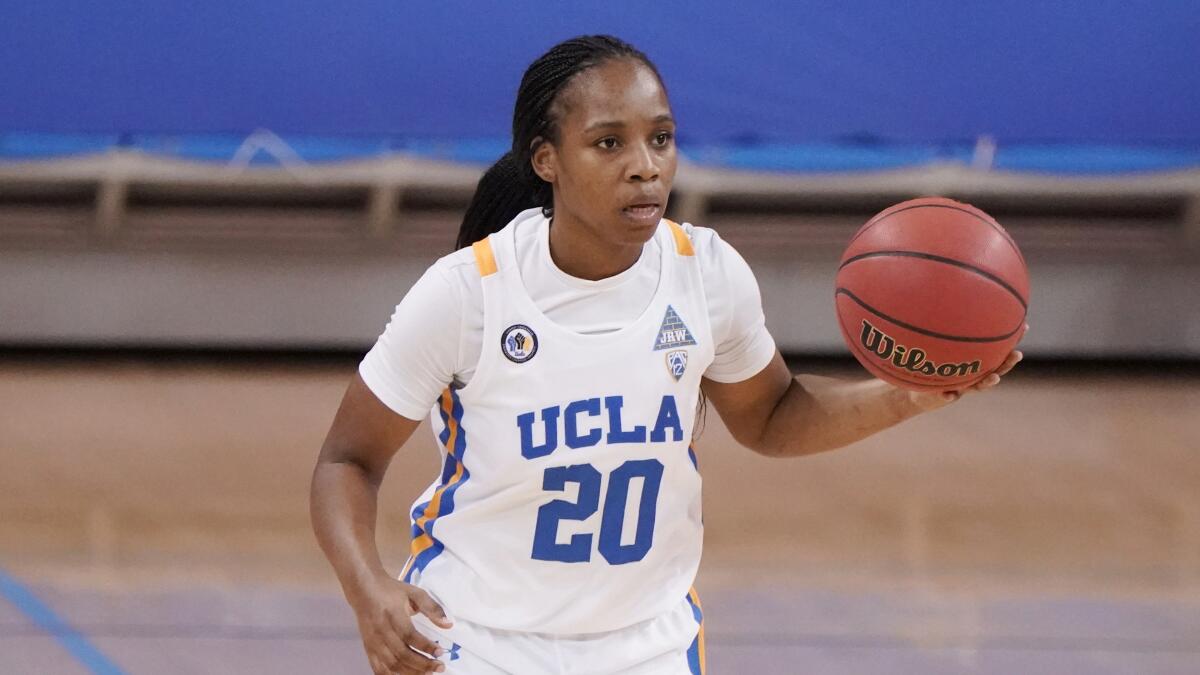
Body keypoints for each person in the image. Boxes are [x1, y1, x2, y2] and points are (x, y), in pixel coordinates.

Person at [310, 35, 1022, 675]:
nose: (646, 168)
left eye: (661, 139)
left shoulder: (704, 274)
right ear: (546, 159)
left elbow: (773, 418)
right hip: (475, 637)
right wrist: (368, 588)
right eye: (610, 143)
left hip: (645, 643)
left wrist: (906, 395)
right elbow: (346, 460)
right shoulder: (469, 293)